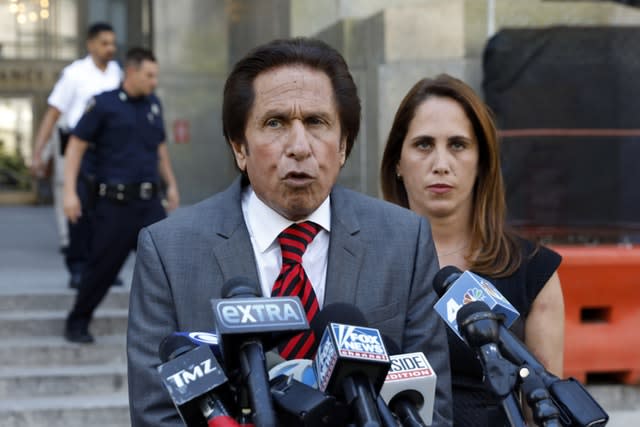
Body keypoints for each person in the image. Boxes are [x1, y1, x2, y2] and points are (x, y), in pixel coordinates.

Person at [127, 38, 452, 427]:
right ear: (240, 148)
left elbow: (430, 409)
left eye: (316, 122)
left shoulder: (404, 240)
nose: (299, 147)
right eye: (275, 123)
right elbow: (157, 414)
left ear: (343, 144)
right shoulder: (170, 249)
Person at [381, 74, 564, 426]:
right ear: (398, 163)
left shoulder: (532, 270)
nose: (441, 164)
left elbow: (542, 412)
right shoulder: (363, 260)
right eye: (423, 144)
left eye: (458, 145)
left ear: (482, 161)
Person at [63, 47, 180, 344]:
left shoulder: (153, 104)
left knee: (170, 268)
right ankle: (77, 321)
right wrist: (69, 193)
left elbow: (160, 149)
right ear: (131, 71)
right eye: (149, 75)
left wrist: (172, 184)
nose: (154, 81)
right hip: (114, 206)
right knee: (100, 269)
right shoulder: (103, 104)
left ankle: (178, 333)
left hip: (150, 204)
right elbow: (75, 146)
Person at [31, 22, 122, 289]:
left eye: (113, 43)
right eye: (104, 43)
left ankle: (102, 268)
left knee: (105, 211)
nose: (110, 49)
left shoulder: (116, 72)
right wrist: (38, 152)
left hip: (109, 150)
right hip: (79, 148)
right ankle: (78, 268)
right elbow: (53, 113)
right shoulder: (74, 74)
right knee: (80, 209)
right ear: (90, 44)